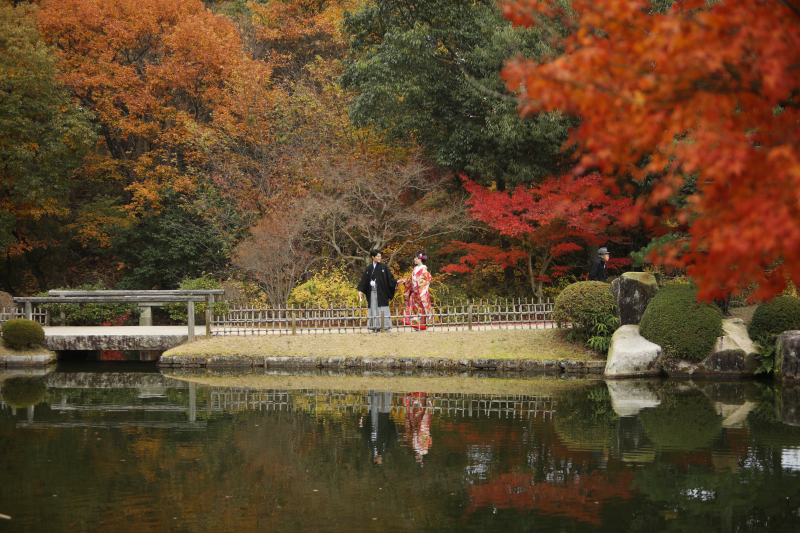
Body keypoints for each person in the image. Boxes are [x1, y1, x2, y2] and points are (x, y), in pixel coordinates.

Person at [356, 249, 397, 332]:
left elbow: (390, 278)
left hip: (382, 292)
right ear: (373, 257)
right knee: (373, 308)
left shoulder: (383, 267)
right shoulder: (369, 268)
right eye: (378, 256)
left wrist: (396, 281)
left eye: (380, 256)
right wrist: (361, 291)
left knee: (382, 308)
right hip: (372, 292)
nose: (380, 258)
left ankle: (385, 327)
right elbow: (364, 280)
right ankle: (374, 327)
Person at [397, 251, 433, 330]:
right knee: (413, 309)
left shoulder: (424, 270)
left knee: (422, 310)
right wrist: (404, 280)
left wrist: (417, 280)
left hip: (421, 294)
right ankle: (416, 325)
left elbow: (427, 280)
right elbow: (410, 279)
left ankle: (423, 326)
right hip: (414, 294)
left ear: (420, 258)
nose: (414, 259)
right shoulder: (415, 269)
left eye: (415, 258)